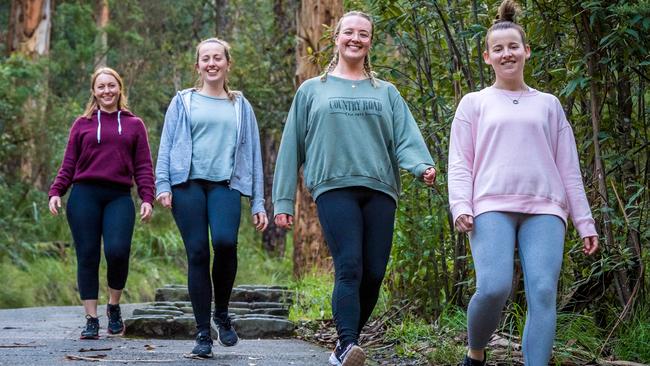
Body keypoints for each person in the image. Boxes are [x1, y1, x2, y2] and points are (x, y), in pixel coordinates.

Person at [273, 11, 436, 366]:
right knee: (349, 266)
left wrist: (421, 165)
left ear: (370, 42)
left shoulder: (386, 92)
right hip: (334, 187)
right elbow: (291, 147)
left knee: (374, 272)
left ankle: (343, 349)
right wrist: (283, 201)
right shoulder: (312, 90)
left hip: (380, 188)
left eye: (363, 34)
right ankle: (348, 344)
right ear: (336, 38)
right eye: (349, 32)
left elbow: (405, 138)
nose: (355, 39)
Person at [447, 1, 599, 365]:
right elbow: (459, 162)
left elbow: (569, 169)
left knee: (544, 292)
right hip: (491, 207)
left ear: (526, 51)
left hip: (545, 208)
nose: (506, 54)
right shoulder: (474, 103)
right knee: (494, 287)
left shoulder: (548, 104)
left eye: (513, 47)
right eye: (498, 49)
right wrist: (461, 206)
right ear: (487, 57)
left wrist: (585, 222)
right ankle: (476, 351)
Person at [155, 37, 268, 359]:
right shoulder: (183, 101)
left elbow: (253, 155)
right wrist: (163, 184)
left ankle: (221, 312)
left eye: (217, 58)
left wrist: (258, 202)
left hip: (225, 186)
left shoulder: (241, 106)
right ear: (198, 66)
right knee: (198, 254)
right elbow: (167, 145)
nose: (212, 63)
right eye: (205, 58)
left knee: (225, 243)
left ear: (227, 64)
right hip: (187, 185)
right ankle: (203, 332)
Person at [48, 67, 155, 339]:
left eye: (111, 86)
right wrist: (56, 191)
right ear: (94, 92)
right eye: (101, 87)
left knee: (118, 251)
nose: (106, 91)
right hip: (84, 195)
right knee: (88, 255)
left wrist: (147, 198)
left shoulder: (134, 124)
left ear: (120, 88)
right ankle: (91, 318)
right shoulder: (82, 124)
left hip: (118, 196)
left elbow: (143, 165)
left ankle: (114, 306)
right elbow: (69, 163)